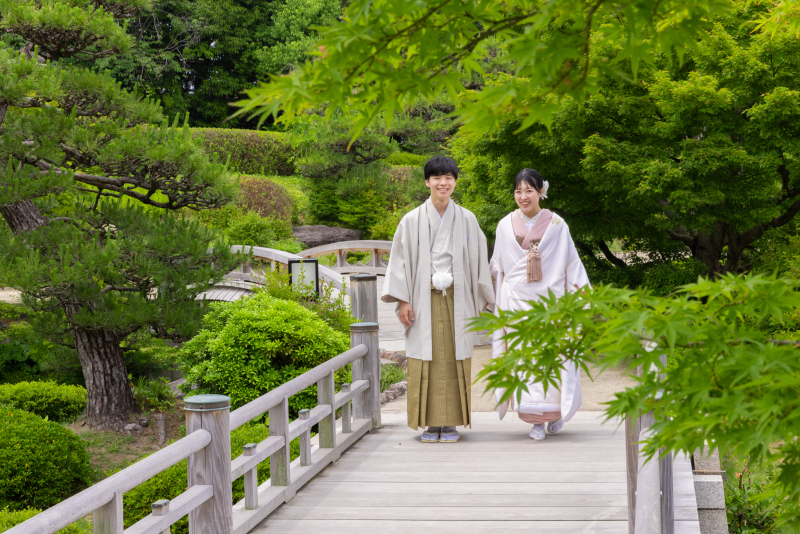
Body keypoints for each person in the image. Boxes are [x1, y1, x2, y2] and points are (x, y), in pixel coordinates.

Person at [381, 156, 495, 443]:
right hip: (422, 298)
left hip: (458, 298)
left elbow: (480, 260)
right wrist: (403, 301)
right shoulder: (411, 220)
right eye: (437, 178)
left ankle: (452, 423)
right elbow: (400, 262)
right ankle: (430, 424)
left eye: (449, 177)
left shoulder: (467, 219)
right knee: (424, 359)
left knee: (455, 357)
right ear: (427, 182)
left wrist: (482, 296)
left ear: (455, 182)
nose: (443, 183)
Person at [490, 168, 590, 440]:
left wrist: (579, 300)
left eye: (529, 191)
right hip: (518, 305)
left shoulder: (557, 225)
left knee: (553, 360)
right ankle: (535, 421)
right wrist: (496, 299)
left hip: (551, 304)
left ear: (541, 192)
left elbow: (571, 264)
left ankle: (555, 413)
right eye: (518, 191)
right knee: (526, 362)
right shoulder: (504, 225)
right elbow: (498, 268)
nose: (523, 197)